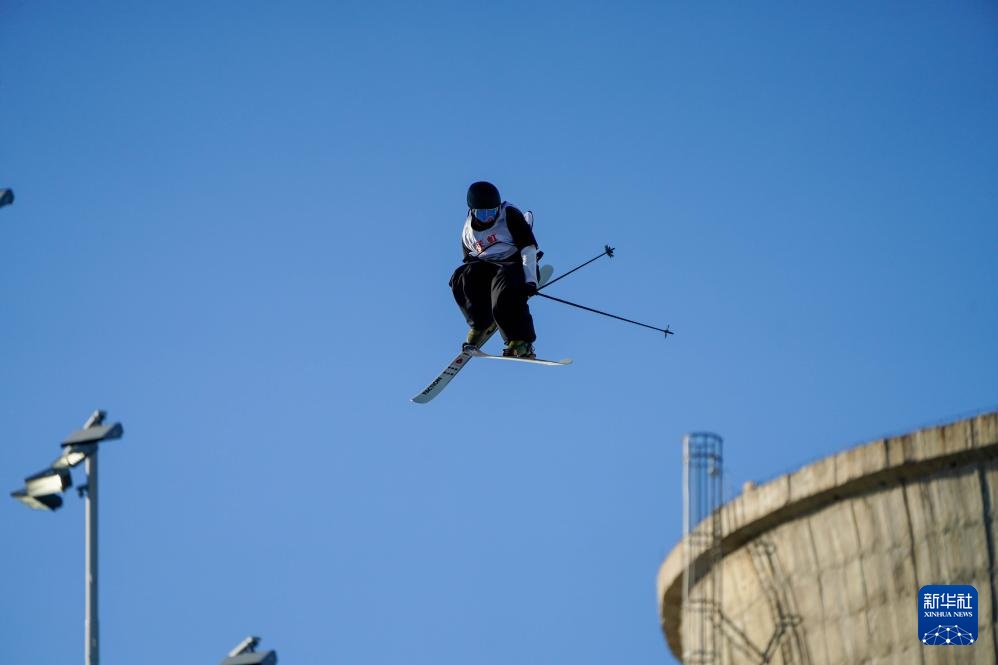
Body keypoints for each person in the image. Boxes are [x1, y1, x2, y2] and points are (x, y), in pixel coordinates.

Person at [449, 181, 539, 359]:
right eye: (482, 214)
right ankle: (480, 323)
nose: (488, 218)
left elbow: (528, 248)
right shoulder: (468, 232)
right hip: (488, 266)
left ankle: (520, 340)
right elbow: (469, 262)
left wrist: (530, 280)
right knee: (462, 277)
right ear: (472, 211)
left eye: (492, 212)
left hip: (514, 264)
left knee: (503, 293)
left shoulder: (509, 215)